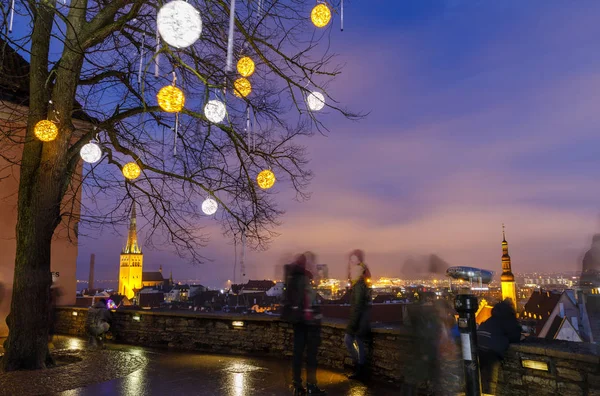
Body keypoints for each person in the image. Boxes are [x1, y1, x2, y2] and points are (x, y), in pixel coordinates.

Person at [282, 252, 326, 396]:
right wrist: (315, 316)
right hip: (308, 322)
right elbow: (310, 301)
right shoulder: (303, 278)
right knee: (311, 356)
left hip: (298, 321)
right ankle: (311, 386)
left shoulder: (292, 277)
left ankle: (297, 385)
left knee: (298, 354)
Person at [477, 299, 522, 395]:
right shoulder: (507, 321)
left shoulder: (490, 320)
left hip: (478, 349)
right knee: (490, 382)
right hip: (491, 352)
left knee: (478, 380)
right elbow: (515, 336)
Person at [344, 249, 371, 380]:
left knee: (350, 340)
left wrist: (352, 325)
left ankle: (360, 368)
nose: (350, 263)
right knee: (358, 342)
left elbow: (357, 306)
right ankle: (360, 368)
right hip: (361, 319)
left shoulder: (359, 284)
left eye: (352, 260)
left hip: (359, 319)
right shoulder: (358, 283)